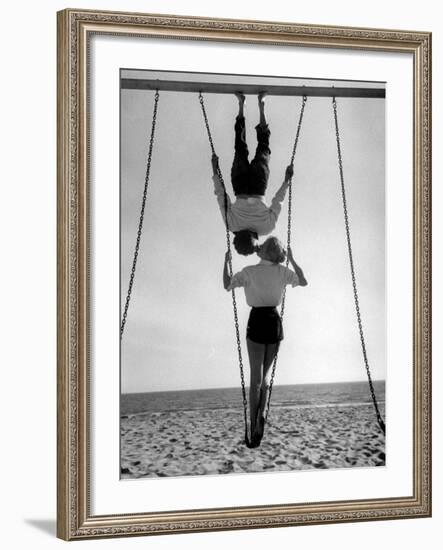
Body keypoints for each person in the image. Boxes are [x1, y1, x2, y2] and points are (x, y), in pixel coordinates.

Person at [223, 236, 308, 447]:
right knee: (265, 376)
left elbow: (227, 285)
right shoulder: (282, 272)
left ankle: (254, 424)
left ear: (263, 252)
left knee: (256, 379)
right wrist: (293, 260)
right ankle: (263, 412)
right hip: (274, 322)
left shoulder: (249, 271)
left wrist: (225, 262)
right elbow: (303, 281)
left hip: (257, 321)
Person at [212, 92, 294, 256]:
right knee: (242, 147)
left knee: (261, 147)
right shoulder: (233, 226)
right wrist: (215, 171)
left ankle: (251, 105)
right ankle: (246, 105)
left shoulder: (266, 228)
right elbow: (222, 197)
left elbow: (278, 201)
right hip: (243, 186)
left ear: (255, 242)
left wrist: (286, 181)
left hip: (256, 186)